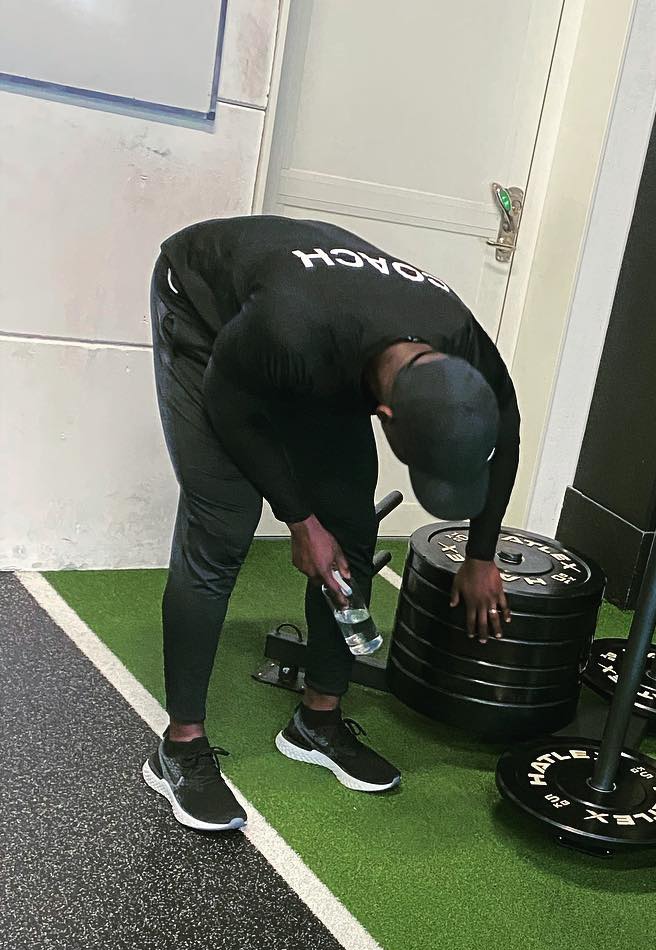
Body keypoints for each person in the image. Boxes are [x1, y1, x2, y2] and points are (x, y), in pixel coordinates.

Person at [143, 215, 521, 831]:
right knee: (223, 525)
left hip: (325, 333)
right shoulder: (293, 331)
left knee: (349, 523)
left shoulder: (460, 339)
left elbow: (506, 432)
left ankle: (317, 720)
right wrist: (298, 520)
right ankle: (179, 746)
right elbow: (232, 408)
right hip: (206, 320)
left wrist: (482, 554)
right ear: (385, 413)